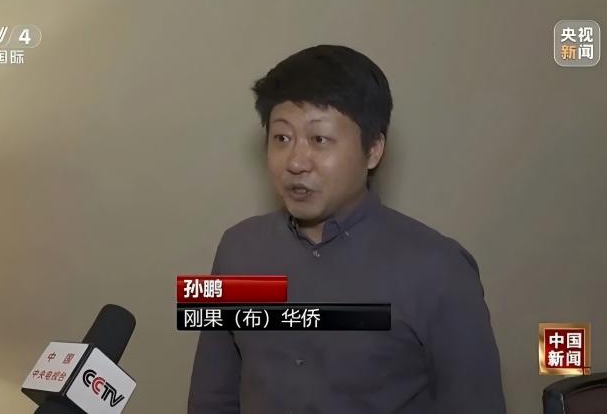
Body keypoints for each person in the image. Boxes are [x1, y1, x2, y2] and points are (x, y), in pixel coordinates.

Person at [188, 44, 506, 414]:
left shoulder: (440, 269)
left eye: (319, 139)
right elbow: (211, 398)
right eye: (282, 138)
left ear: (373, 150)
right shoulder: (237, 249)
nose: (296, 162)